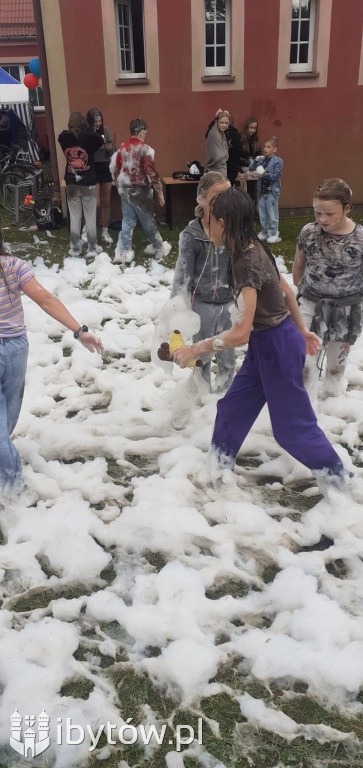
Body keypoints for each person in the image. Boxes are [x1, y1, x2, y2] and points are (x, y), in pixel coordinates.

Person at [171, 187, 346, 481]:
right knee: (231, 410)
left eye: (210, 219)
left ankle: (341, 480)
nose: (207, 224)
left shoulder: (245, 263)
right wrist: (301, 330)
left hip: (276, 348)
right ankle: (218, 471)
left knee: (292, 430)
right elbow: (287, 290)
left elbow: (240, 333)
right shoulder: (253, 246)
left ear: (223, 223)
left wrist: (193, 350)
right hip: (269, 345)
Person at [0, 220, 104, 495]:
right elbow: (44, 299)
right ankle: (8, 471)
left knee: (2, 428)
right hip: (16, 350)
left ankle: (13, 492)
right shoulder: (13, 265)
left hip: (11, 350)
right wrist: (79, 330)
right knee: (6, 420)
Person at [292, 178, 363, 410]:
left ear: (347, 208)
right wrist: (302, 293)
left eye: (329, 214)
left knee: (336, 363)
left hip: (346, 308)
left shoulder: (360, 238)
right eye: (317, 212)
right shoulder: (309, 233)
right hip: (311, 304)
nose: (322, 219)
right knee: (305, 359)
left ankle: (333, 403)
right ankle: (305, 408)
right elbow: (298, 267)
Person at [170, 171, 235, 392]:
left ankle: (227, 393)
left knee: (227, 354)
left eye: (227, 195)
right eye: (217, 196)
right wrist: (174, 315)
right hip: (202, 305)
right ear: (201, 199)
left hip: (229, 303)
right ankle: (202, 395)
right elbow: (182, 278)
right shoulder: (192, 235)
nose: (223, 201)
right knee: (202, 355)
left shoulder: (233, 229)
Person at [110, 117, 169, 265]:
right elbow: (150, 171)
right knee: (148, 221)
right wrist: (159, 190)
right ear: (141, 132)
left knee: (127, 222)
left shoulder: (122, 149)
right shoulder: (145, 149)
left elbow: (115, 170)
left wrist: (119, 186)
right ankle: (159, 248)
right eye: (145, 133)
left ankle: (123, 252)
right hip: (141, 190)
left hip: (125, 189)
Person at [58, 112, 104, 257]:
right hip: (88, 182)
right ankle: (92, 247)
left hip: (71, 181)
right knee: (90, 216)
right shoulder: (89, 137)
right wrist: (88, 129)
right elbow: (99, 139)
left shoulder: (63, 138)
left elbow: (64, 136)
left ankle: (75, 249)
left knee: (75, 216)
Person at [86, 108, 115, 245]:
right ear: (90, 122)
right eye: (95, 121)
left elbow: (113, 151)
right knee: (95, 202)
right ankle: (88, 229)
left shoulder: (106, 131)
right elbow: (85, 153)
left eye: (99, 121)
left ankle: (105, 231)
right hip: (92, 167)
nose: (98, 124)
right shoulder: (87, 133)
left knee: (106, 201)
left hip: (105, 166)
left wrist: (109, 148)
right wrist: (98, 147)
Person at [249, 136, 283, 244]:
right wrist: (255, 161)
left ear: (275, 149)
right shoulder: (262, 161)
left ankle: (273, 233)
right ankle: (264, 232)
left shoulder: (278, 161)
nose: (266, 149)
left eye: (268, 147)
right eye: (265, 147)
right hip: (262, 192)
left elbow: (275, 176)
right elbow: (251, 169)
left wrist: (265, 174)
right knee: (262, 214)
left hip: (271, 192)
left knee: (272, 214)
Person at [240, 117, 261, 203]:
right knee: (250, 176)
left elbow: (259, 153)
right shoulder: (240, 138)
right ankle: (248, 203)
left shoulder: (255, 140)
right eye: (251, 128)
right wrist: (250, 163)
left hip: (254, 165)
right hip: (244, 165)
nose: (253, 130)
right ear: (246, 127)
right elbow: (238, 157)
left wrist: (259, 160)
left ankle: (256, 203)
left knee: (264, 173)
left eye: (255, 128)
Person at [205, 110, 229, 177]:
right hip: (215, 170)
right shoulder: (214, 133)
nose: (224, 125)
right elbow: (217, 156)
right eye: (221, 122)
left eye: (226, 123)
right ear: (216, 122)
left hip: (221, 169)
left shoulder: (222, 133)